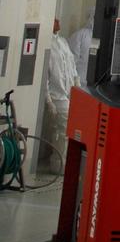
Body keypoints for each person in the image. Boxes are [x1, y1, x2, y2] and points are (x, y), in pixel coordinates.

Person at [46, 17, 79, 161]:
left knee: (67, 129)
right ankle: (58, 162)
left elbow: (71, 65)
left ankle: (62, 162)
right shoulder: (48, 44)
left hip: (69, 94)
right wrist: (48, 101)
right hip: (56, 95)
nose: (58, 22)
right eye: (54, 20)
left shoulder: (63, 42)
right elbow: (44, 77)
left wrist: (76, 84)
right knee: (62, 129)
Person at [68, 8, 95, 85]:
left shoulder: (104, 37)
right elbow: (72, 60)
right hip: (79, 80)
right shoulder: (79, 35)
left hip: (94, 83)